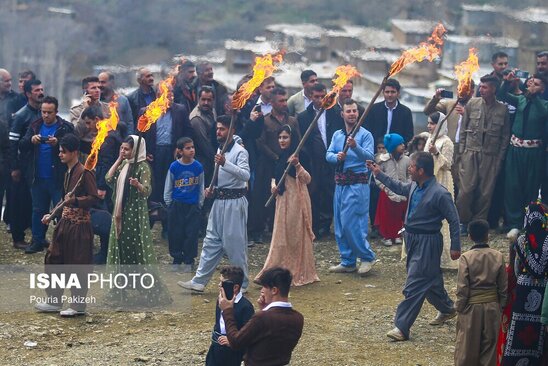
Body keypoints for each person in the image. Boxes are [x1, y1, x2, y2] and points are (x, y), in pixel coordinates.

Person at [367, 152, 461, 341]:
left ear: (421, 170)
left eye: (411, 166)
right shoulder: (413, 186)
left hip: (428, 242)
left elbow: (454, 219)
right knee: (431, 281)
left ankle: (401, 327)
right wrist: (379, 174)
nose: (409, 169)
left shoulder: (440, 193)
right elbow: (398, 187)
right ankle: (448, 308)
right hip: (412, 240)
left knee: (415, 283)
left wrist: (455, 247)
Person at [179, 115, 250, 292]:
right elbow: (220, 175)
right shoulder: (220, 149)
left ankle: (242, 283)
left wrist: (226, 163)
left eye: (222, 129)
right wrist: (212, 188)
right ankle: (199, 281)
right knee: (211, 241)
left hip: (234, 203)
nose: (218, 132)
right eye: (217, 129)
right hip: (219, 202)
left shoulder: (240, 152)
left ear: (231, 131)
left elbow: (245, 175)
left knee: (234, 244)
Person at [34, 134, 99, 317]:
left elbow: (94, 198)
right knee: (54, 260)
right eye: (60, 151)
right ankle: (54, 300)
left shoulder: (86, 172)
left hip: (79, 226)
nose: (60, 154)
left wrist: (77, 200)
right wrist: (52, 214)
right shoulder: (68, 173)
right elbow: (64, 200)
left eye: (64, 152)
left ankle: (78, 305)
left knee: (77, 265)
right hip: (64, 223)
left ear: (74, 152)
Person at [105, 135, 171, 306]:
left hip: (134, 214)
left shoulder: (143, 167)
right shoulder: (124, 165)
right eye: (122, 148)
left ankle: (148, 289)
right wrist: (119, 159)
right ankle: (119, 289)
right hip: (120, 212)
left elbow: (147, 191)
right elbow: (108, 178)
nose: (123, 151)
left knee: (136, 248)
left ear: (135, 150)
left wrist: (137, 185)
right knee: (120, 247)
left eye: (126, 149)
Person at [255, 125, 319, 286]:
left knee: (295, 235)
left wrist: (297, 165)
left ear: (292, 139)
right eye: (280, 138)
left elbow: (308, 179)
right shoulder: (280, 156)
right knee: (281, 236)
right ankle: (276, 270)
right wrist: (273, 186)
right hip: (282, 200)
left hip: (297, 199)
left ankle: (297, 271)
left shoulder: (300, 154)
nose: (282, 141)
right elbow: (274, 176)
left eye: (286, 137)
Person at [326, 99, 376, 274]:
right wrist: (336, 157)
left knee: (351, 222)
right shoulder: (337, 135)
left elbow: (370, 156)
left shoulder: (365, 135)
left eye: (355, 111)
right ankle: (347, 260)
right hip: (340, 184)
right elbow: (328, 154)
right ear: (342, 114)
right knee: (339, 223)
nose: (352, 114)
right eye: (348, 111)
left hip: (357, 184)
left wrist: (355, 147)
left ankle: (367, 257)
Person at [19, 96, 74, 254]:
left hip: (58, 178)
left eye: (49, 112)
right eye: (43, 112)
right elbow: (22, 145)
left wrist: (59, 143)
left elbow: (74, 144)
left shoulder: (65, 127)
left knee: (61, 212)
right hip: (38, 177)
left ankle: (62, 242)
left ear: (56, 112)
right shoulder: (35, 125)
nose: (46, 115)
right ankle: (38, 240)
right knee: (38, 210)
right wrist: (31, 140)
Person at [456, 75, 510, 234]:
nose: (481, 89)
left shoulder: (503, 109)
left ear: (494, 89)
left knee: (485, 193)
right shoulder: (472, 104)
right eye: (481, 86)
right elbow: (463, 130)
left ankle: (478, 225)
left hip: (491, 156)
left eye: (485, 87)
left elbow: (505, 137)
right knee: (465, 191)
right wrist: (462, 152)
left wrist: (500, 159)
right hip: (471, 153)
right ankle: (463, 222)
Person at [218, 267, 304, 366]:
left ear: (274, 290)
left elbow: (236, 342)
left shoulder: (263, 317)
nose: (262, 290)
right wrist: (265, 309)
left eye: (264, 287)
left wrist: (227, 310)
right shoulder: (298, 318)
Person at [251, 86, 300, 244]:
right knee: (262, 197)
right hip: (267, 164)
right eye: (281, 101)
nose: (284, 103)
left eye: (286, 100)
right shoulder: (264, 121)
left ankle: (278, 229)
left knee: (284, 197)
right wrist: (276, 156)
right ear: (272, 102)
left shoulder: (292, 121)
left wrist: (289, 158)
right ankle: (258, 230)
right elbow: (260, 142)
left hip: (287, 166)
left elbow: (298, 141)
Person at [454, 219, 507, 366]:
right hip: (492, 306)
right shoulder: (498, 256)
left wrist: (460, 307)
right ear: (487, 235)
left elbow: (462, 287)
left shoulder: (466, 257)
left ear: (470, 236)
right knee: (490, 347)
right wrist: (501, 306)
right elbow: (503, 286)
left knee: (467, 348)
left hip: (471, 307)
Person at [501, 73, 548, 239]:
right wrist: (506, 82)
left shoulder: (544, 104)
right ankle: (514, 224)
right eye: (530, 83)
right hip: (515, 150)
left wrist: (534, 97)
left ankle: (529, 223)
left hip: (533, 152)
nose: (531, 85)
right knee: (512, 186)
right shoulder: (520, 100)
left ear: (542, 88)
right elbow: (502, 95)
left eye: (536, 84)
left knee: (531, 187)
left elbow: (543, 114)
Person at [500, 202, 548, 364]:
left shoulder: (521, 240)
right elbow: (541, 268)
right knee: (538, 328)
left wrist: (522, 277)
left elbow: (515, 268)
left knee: (519, 325)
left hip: (523, 287)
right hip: (543, 288)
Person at [298, 82, 343, 238]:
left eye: (322, 96)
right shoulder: (303, 117)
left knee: (331, 192)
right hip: (314, 162)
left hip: (333, 160)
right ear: (311, 97)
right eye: (316, 97)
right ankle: (316, 226)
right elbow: (302, 141)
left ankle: (327, 224)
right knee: (315, 193)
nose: (320, 100)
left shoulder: (336, 112)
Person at [7, 79, 43, 250]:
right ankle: (17, 237)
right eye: (37, 90)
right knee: (18, 202)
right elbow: (12, 142)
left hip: (37, 165)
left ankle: (38, 237)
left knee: (33, 202)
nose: (40, 93)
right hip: (22, 165)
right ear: (28, 94)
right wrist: (14, 167)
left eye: (42, 89)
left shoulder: (43, 113)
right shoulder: (21, 115)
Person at [163, 137, 204, 272]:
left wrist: (200, 203)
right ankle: (176, 258)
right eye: (188, 148)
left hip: (192, 205)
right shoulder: (174, 167)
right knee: (175, 233)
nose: (191, 150)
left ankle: (189, 260)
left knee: (191, 234)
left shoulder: (198, 166)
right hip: (177, 205)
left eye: (192, 147)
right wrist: (169, 203)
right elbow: (169, 185)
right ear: (180, 151)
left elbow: (201, 186)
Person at [425, 112, 457, 269]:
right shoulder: (431, 139)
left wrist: (436, 153)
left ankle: (444, 257)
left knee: (442, 218)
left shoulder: (447, 142)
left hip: (442, 180)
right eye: (428, 123)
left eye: (432, 123)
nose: (429, 126)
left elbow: (448, 164)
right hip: (429, 179)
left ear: (439, 125)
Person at [205, 266, 254, 366]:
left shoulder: (246, 307)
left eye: (223, 283)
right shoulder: (220, 299)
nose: (219, 285)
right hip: (216, 346)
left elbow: (248, 334)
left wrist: (232, 341)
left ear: (235, 287)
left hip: (233, 351)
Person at [375, 133, 410, 247]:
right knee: (387, 215)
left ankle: (397, 235)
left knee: (399, 214)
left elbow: (409, 174)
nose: (403, 146)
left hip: (403, 192)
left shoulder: (407, 159)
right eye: (399, 144)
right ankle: (387, 236)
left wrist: (408, 185)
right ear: (393, 146)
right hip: (387, 193)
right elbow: (377, 176)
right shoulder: (382, 160)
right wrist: (385, 188)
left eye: (403, 143)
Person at [364, 78, 414, 146]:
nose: (390, 95)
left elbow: (409, 135)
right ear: (383, 92)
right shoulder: (373, 109)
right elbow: (367, 131)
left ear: (398, 93)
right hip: (376, 149)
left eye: (393, 92)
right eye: (387, 92)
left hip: (396, 150)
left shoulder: (405, 112)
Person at [70, 76, 110, 154]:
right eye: (93, 88)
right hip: (84, 150)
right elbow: (77, 133)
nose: (97, 90)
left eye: (99, 88)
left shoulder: (107, 108)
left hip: (104, 148)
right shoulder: (76, 110)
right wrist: (85, 110)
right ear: (85, 91)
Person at [190, 86, 217, 184]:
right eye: (203, 99)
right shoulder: (197, 119)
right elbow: (205, 145)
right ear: (198, 99)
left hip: (210, 157)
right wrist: (217, 161)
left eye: (209, 100)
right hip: (202, 160)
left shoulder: (210, 110)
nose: (206, 103)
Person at [98, 71, 134, 135]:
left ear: (112, 83)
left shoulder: (122, 100)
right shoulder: (96, 101)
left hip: (120, 140)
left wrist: (129, 141)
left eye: (103, 82)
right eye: (99, 82)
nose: (100, 85)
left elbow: (129, 123)